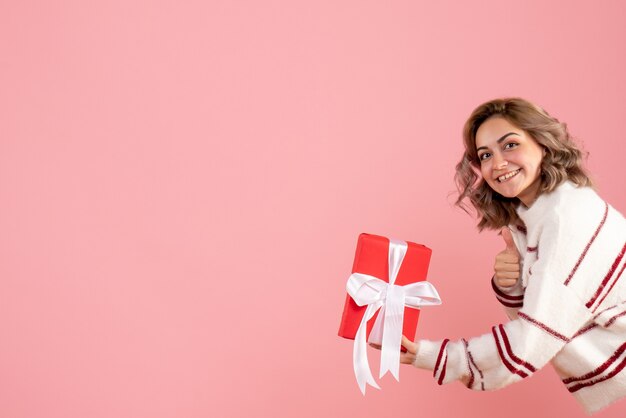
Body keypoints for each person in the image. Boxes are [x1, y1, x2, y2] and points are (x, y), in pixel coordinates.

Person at [401, 98, 626, 414]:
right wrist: (512, 284)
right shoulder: (531, 220)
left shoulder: (568, 216)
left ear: (543, 145)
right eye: (486, 155)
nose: (498, 163)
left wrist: (436, 356)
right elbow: (542, 314)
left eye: (510, 145)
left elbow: (534, 339)